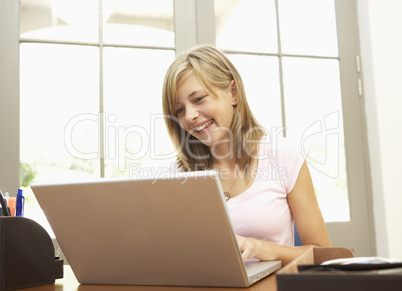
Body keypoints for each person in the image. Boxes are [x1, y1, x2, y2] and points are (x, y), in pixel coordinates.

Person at [162, 45, 331, 265]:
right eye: (179, 110)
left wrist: (259, 248)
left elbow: (323, 255)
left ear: (233, 93)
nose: (190, 116)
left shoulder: (284, 157)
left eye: (198, 99)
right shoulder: (174, 175)